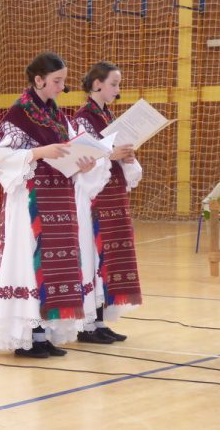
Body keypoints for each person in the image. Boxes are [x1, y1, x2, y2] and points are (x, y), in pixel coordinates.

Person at [0, 52, 95, 358]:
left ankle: (44, 332)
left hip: (59, 201)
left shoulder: (58, 116)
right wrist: (39, 152)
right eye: (57, 81)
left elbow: (72, 149)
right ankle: (28, 336)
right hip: (30, 203)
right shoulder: (18, 115)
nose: (62, 87)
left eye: (63, 80)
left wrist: (85, 162)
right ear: (38, 80)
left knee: (54, 267)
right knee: (29, 263)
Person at [72, 61, 143, 343]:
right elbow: (81, 158)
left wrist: (127, 157)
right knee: (94, 256)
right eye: (114, 83)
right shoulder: (82, 118)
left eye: (118, 84)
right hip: (95, 198)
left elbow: (110, 154)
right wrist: (110, 155)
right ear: (97, 84)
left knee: (108, 260)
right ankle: (88, 324)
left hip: (113, 194)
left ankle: (99, 321)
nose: (117, 89)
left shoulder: (107, 116)